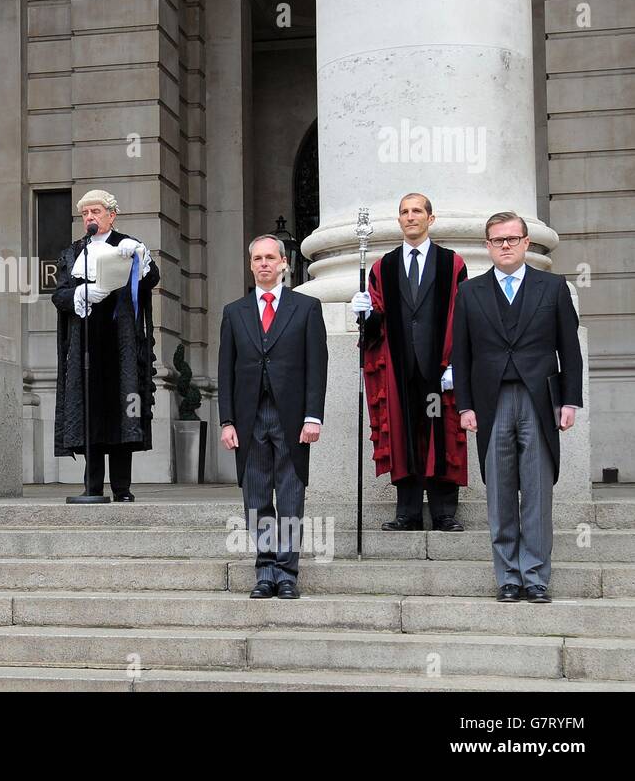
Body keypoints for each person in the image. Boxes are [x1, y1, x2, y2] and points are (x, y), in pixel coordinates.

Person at [452, 211, 582, 604]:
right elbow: (461, 353)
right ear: (488, 246)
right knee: (501, 490)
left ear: (526, 242)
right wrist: (465, 405)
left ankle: (536, 576)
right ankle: (508, 576)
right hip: (491, 402)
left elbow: (569, 350)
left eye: (512, 238)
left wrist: (571, 400)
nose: (505, 246)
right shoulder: (470, 293)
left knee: (538, 489)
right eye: (497, 240)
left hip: (539, 399)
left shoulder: (553, 287)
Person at [218, 235, 328, 600]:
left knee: (291, 496)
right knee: (256, 497)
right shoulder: (235, 312)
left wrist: (313, 416)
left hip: (293, 419)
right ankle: (265, 571)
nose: (264, 264)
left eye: (271, 258)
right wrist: (227, 421)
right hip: (250, 419)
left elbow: (317, 367)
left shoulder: (307, 307)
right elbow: (225, 370)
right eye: (257, 259)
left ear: (284, 263)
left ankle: (287, 573)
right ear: (251, 265)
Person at [353, 193, 469, 533]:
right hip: (399, 367)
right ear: (399, 220)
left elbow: (461, 316)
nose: (410, 217)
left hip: (438, 366)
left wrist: (456, 363)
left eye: (417, 211)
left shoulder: (453, 263)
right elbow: (375, 326)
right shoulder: (382, 267)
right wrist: (366, 313)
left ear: (430, 218)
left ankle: (444, 512)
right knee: (403, 434)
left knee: (441, 433)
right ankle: (408, 513)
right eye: (404, 212)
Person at [51, 189, 160, 501]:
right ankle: (93, 486)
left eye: (96, 212)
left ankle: (122, 488)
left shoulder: (127, 245)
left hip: (121, 344)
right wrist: (80, 296)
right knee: (90, 410)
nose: (90, 218)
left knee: (123, 410)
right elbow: (59, 295)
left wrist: (140, 257)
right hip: (86, 342)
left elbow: (151, 278)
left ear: (112, 215)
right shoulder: (74, 252)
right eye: (85, 213)